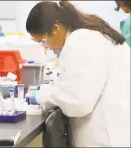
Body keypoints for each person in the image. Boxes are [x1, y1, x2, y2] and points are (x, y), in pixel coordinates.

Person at [26, 1, 130, 147]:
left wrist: (44, 96)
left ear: (56, 28)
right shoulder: (89, 34)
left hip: (105, 138)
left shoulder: (82, 40)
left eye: (43, 41)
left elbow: (78, 102)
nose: (47, 48)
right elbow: (75, 84)